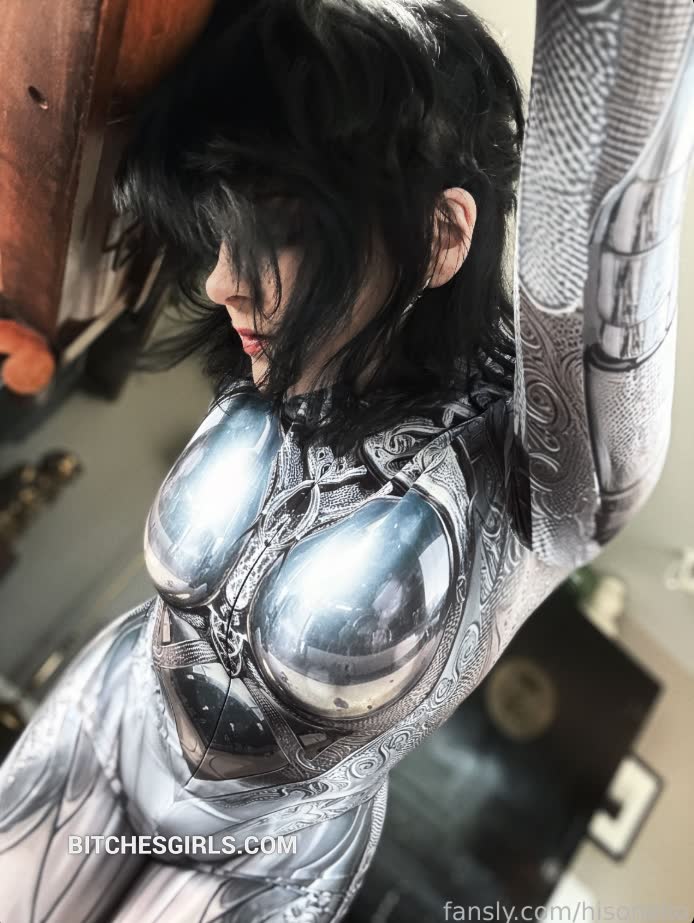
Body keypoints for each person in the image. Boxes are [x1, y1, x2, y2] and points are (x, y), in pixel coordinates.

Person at [1, 0, 692, 920]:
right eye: (221, 229)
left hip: (261, 859)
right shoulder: (285, 360)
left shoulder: (538, 469)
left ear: (442, 235)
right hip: (102, 721)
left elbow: (612, 151)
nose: (219, 281)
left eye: (274, 232)